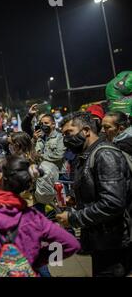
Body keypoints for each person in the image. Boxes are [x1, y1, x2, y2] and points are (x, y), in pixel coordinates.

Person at [57, 112, 132, 277]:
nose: (66, 139)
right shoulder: (87, 155)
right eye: (63, 135)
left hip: (113, 243)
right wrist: (77, 200)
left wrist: (73, 218)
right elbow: (98, 191)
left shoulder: (105, 154)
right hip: (100, 240)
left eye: (68, 133)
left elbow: (113, 203)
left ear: (85, 131)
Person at [22, 104, 66, 169]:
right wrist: (34, 140)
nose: (43, 125)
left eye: (46, 123)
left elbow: (58, 155)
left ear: (53, 124)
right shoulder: (38, 137)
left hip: (57, 172)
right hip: (41, 171)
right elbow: (31, 151)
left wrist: (40, 156)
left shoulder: (60, 137)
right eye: (41, 123)